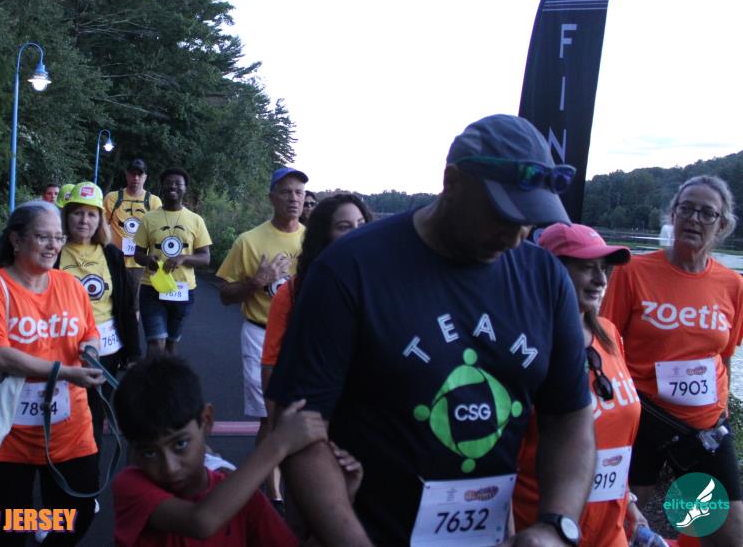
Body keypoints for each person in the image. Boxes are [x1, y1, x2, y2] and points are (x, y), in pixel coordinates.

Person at [267, 114, 595, 546]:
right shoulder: (351, 268)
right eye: (502, 214)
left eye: (530, 220)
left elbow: (569, 415)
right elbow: (300, 426)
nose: (517, 236)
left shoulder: (545, 278)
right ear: (452, 181)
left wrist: (557, 525)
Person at [600, 174, 743, 545]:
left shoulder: (732, 285)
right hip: (642, 420)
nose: (694, 218)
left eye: (707, 213)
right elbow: (605, 344)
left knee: (724, 536)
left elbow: (725, 355)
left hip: (703, 430)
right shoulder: (633, 271)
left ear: (722, 225)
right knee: (617, 526)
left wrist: (723, 410)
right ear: (673, 214)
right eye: (687, 209)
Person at [0, 200, 105, 545]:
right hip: (7, 435)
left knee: (77, 515)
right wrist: (64, 373)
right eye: (43, 237)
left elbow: (89, 331)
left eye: (58, 237)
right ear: (16, 239)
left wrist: (90, 350)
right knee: (11, 528)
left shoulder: (70, 285)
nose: (54, 245)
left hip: (71, 432)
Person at [111, 355, 359, 546]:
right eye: (149, 453)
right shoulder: (131, 486)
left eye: (180, 444)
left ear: (207, 420)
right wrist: (278, 443)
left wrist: (344, 499)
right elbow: (201, 522)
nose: (170, 468)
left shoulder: (240, 498)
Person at [512, 223, 647, 545]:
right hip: (545, 531)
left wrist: (629, 503)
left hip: (609, 531)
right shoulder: (523, 346)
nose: (601, 279)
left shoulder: (610, 334)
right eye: (587, 268)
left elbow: (614, 438)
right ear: (550, 271)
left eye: (604, 269)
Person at [216, 166, 307, 503]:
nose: (293, 198)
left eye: (299, 192)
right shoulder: (249, 241)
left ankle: (296, 479)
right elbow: (225, 294)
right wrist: (257, 281)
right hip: (261, 334)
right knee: (269, 417)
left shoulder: (313, 240)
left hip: (303, 338)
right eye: (286, 191)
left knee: (301, 413)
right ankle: (273, 495)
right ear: (272, 197)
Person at [261, 193, 373, 408]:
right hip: (312, 407)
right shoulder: (293, 292)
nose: (357, 233)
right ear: (324, 236)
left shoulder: (380, 286)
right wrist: (276, 421)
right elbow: (271, 364)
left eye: (361, 224)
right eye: (344, 227)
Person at [56, 181, 139, 445]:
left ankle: (90, 458)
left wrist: (134, 352)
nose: (84, 220)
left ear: (100, 219)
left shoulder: (111, 254)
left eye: (91, 214)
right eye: (77, 213)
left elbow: (126, 305)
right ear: (66, 217)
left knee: (95, 412)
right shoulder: (53, 251)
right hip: (61, 345)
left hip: (105, 349)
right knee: (62, 409)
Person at [134, 168, 212, 356]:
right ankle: (153, 375)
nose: (173, 186)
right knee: (156, 343)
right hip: (152, 288)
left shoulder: (196, 220)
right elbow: (138, 254)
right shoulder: (148, 218)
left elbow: (205, 257)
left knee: (171, 344)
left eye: (178, 183)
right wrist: (147, 259)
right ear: (162, 187)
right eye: (168, 182)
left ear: (185, 188)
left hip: (183, 290)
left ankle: (168, 375)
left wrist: (184, 258)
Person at [105, 158, 163, 323]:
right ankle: (113, 333)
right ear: (126, 175)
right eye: (132, 174)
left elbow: (157, 233)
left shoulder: (153, 201)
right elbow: (102, 226)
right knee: (111, 300)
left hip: (139, 263)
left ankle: (131, 334)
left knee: (134, 304)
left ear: (145, 177)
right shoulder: (112, 198)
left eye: (140, 174)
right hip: (115, 261)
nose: (135, 178)